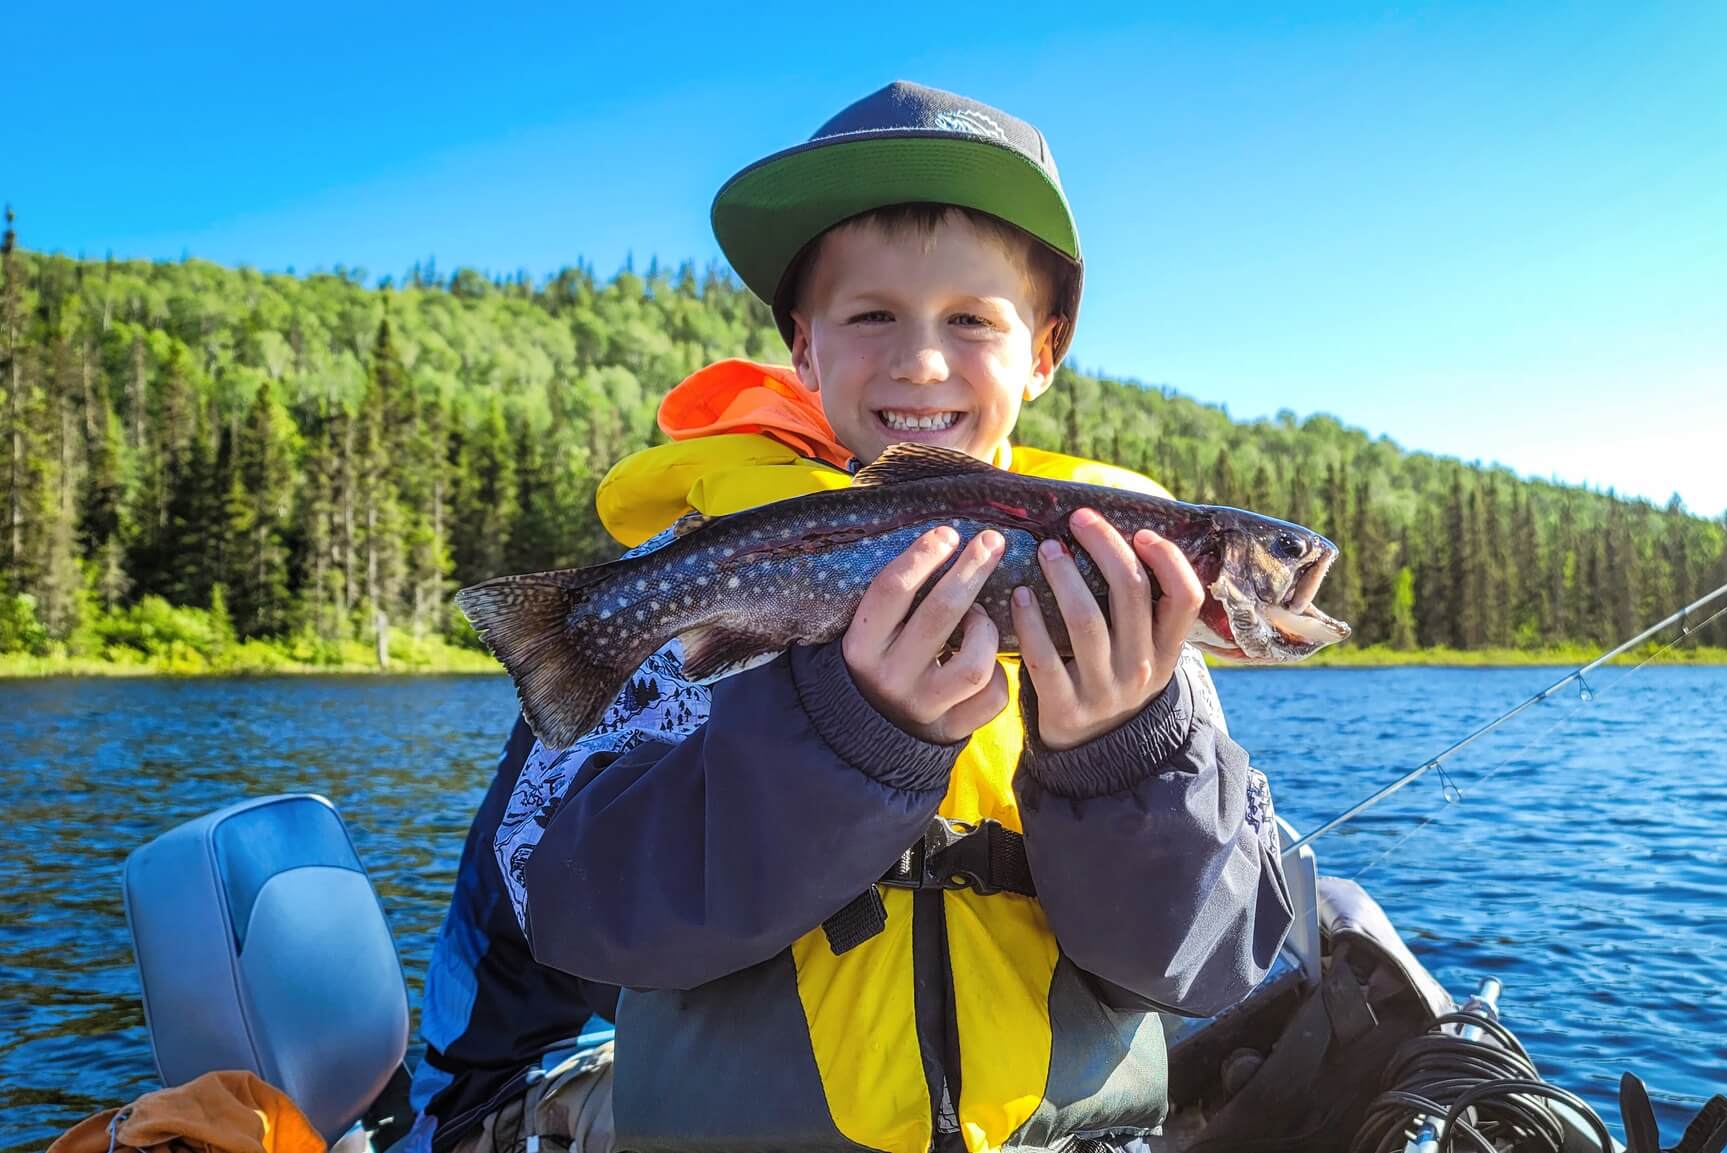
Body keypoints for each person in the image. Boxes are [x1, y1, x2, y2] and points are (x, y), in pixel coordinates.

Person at [409, 80, 1294, 1153]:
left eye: (971, 320)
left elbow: (1200, 965)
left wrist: (1125, 752)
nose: (920, 360)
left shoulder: (1134, 603)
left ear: (1044, 350)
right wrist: (845, 729)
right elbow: (564, 921)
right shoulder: (670, 589)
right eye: (870, 315)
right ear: (802, 348)